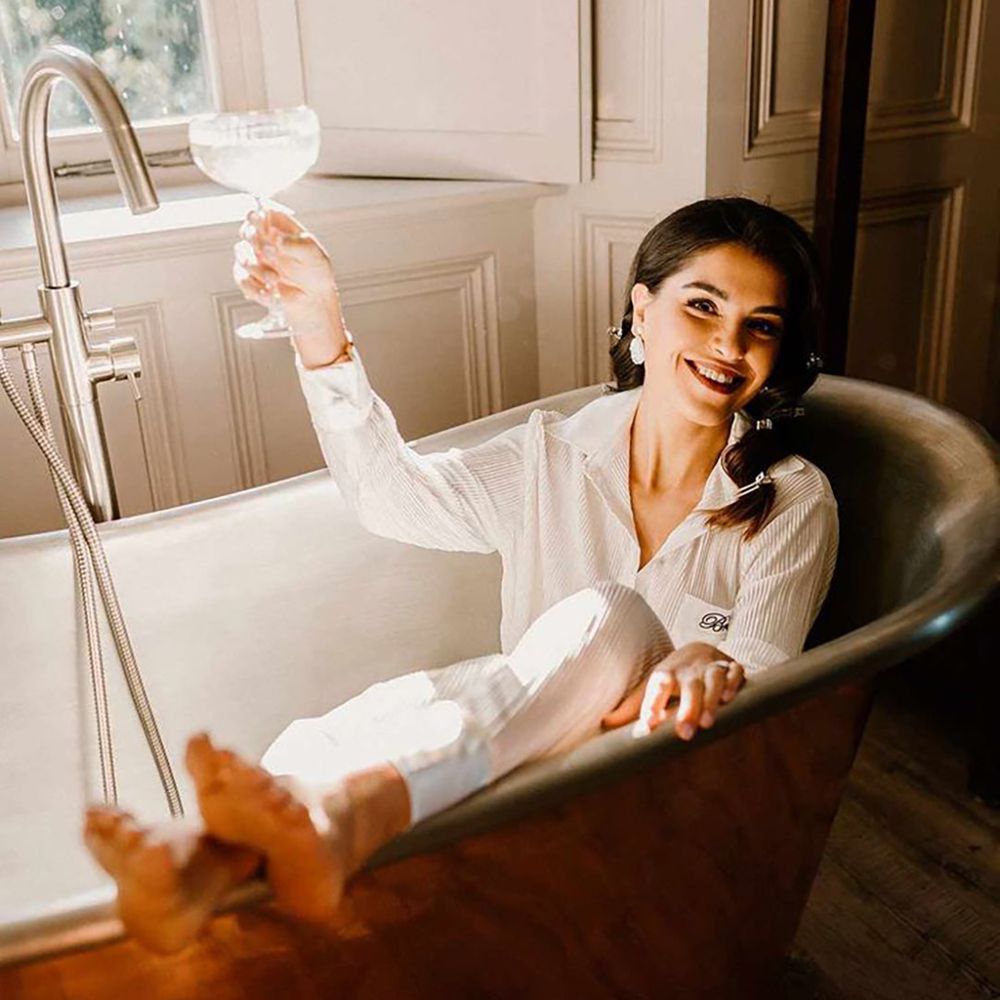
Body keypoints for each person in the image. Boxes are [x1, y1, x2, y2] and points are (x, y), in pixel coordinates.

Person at [83, 197, 838, 955]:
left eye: (761, 326)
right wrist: (318, 322)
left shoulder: (792, 502)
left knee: (611, 617)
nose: (728, 343)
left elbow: (770, 699)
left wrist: (712, 661)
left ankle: (332, 819)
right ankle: (202, 865)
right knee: (346, 730)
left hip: (658, 800)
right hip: (508, 766)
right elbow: (389, 497)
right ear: (643, 313)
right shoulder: (549, 456)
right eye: (702, 306)